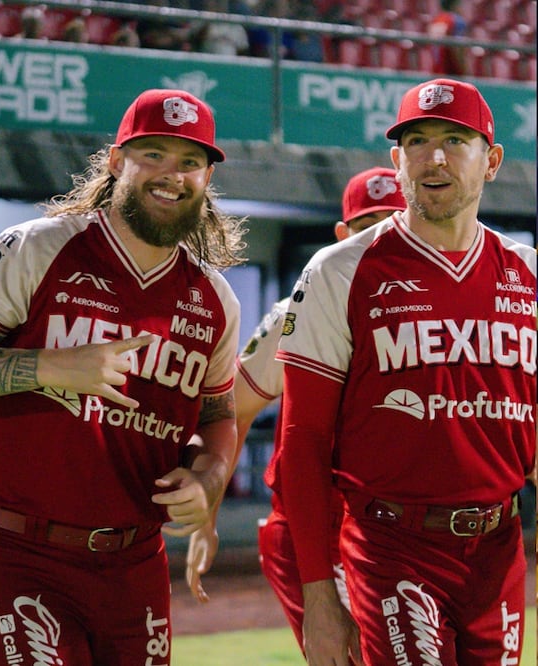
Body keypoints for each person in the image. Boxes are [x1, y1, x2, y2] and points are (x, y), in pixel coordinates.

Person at [276, 77, 537, 665]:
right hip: (393, 545)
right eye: (416, 141)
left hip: (498, 549)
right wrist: (318, 594)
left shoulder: (527, 272)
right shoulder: (341, 271)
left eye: (454, 140)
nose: (434, 157)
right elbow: (303, 439)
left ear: (491, 160)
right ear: (397, 161)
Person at [0, 88, 245, 665]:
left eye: (189, 162)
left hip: (135, 566)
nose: (170, 175)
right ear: (115, 160)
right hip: (16, 553)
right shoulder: (38, 250)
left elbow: (217, 416)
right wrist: (49, 366)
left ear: (206, 177)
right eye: (152, 154)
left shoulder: (215, 301)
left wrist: (209, 478)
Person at [189, 167, 406, 650]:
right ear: (342, 234)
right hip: (317, 530)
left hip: (392, 531)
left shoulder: (428, 310)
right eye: (367, 224)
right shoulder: (298, 310)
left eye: (393, 221)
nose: (378, 236)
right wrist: (208, 513)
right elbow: (233, 409)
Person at [427, 0, 467, 76]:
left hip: (436, 72)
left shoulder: (435, 20)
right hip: (452, 72)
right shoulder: (457, 21)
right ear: (454, 4)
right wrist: (464, 71)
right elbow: (458, 48)